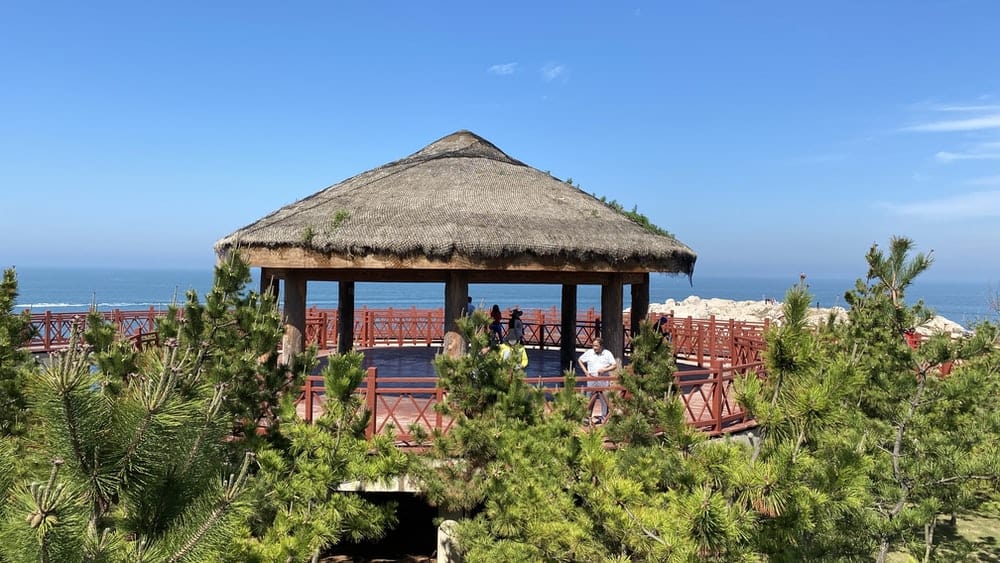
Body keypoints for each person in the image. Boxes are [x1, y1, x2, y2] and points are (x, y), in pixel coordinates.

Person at [577, 337, 617, 423]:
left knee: (604, 399)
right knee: (589, 399)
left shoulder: (607, 353)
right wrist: (586, 372)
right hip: (592, 379)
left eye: (596, 346)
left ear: (601, 346)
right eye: (593, 346)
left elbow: (614, 365)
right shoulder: (589, 352)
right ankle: (587, 418)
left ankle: (603, 418)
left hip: (603, 379)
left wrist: (604, 370)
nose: (594, 348)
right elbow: (580, 360)